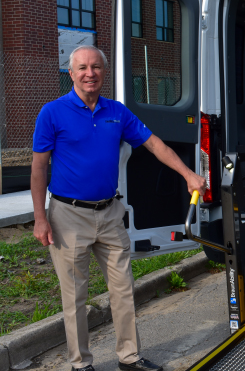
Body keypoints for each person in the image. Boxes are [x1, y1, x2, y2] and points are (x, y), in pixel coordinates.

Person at [31, 45, 206, 371]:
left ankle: (129, 357)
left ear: (104, 72)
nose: (89, 73)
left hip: (109, 213)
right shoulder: (52, 113)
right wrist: (40, 218)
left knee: (124, 290)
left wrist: (188, 174)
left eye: (95, 67)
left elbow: (154, 144)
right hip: (68, 216)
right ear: (71, 73)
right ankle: (80, 363)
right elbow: (39, 168)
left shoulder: (117, 112)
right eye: (82, 68)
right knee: (75, 297)